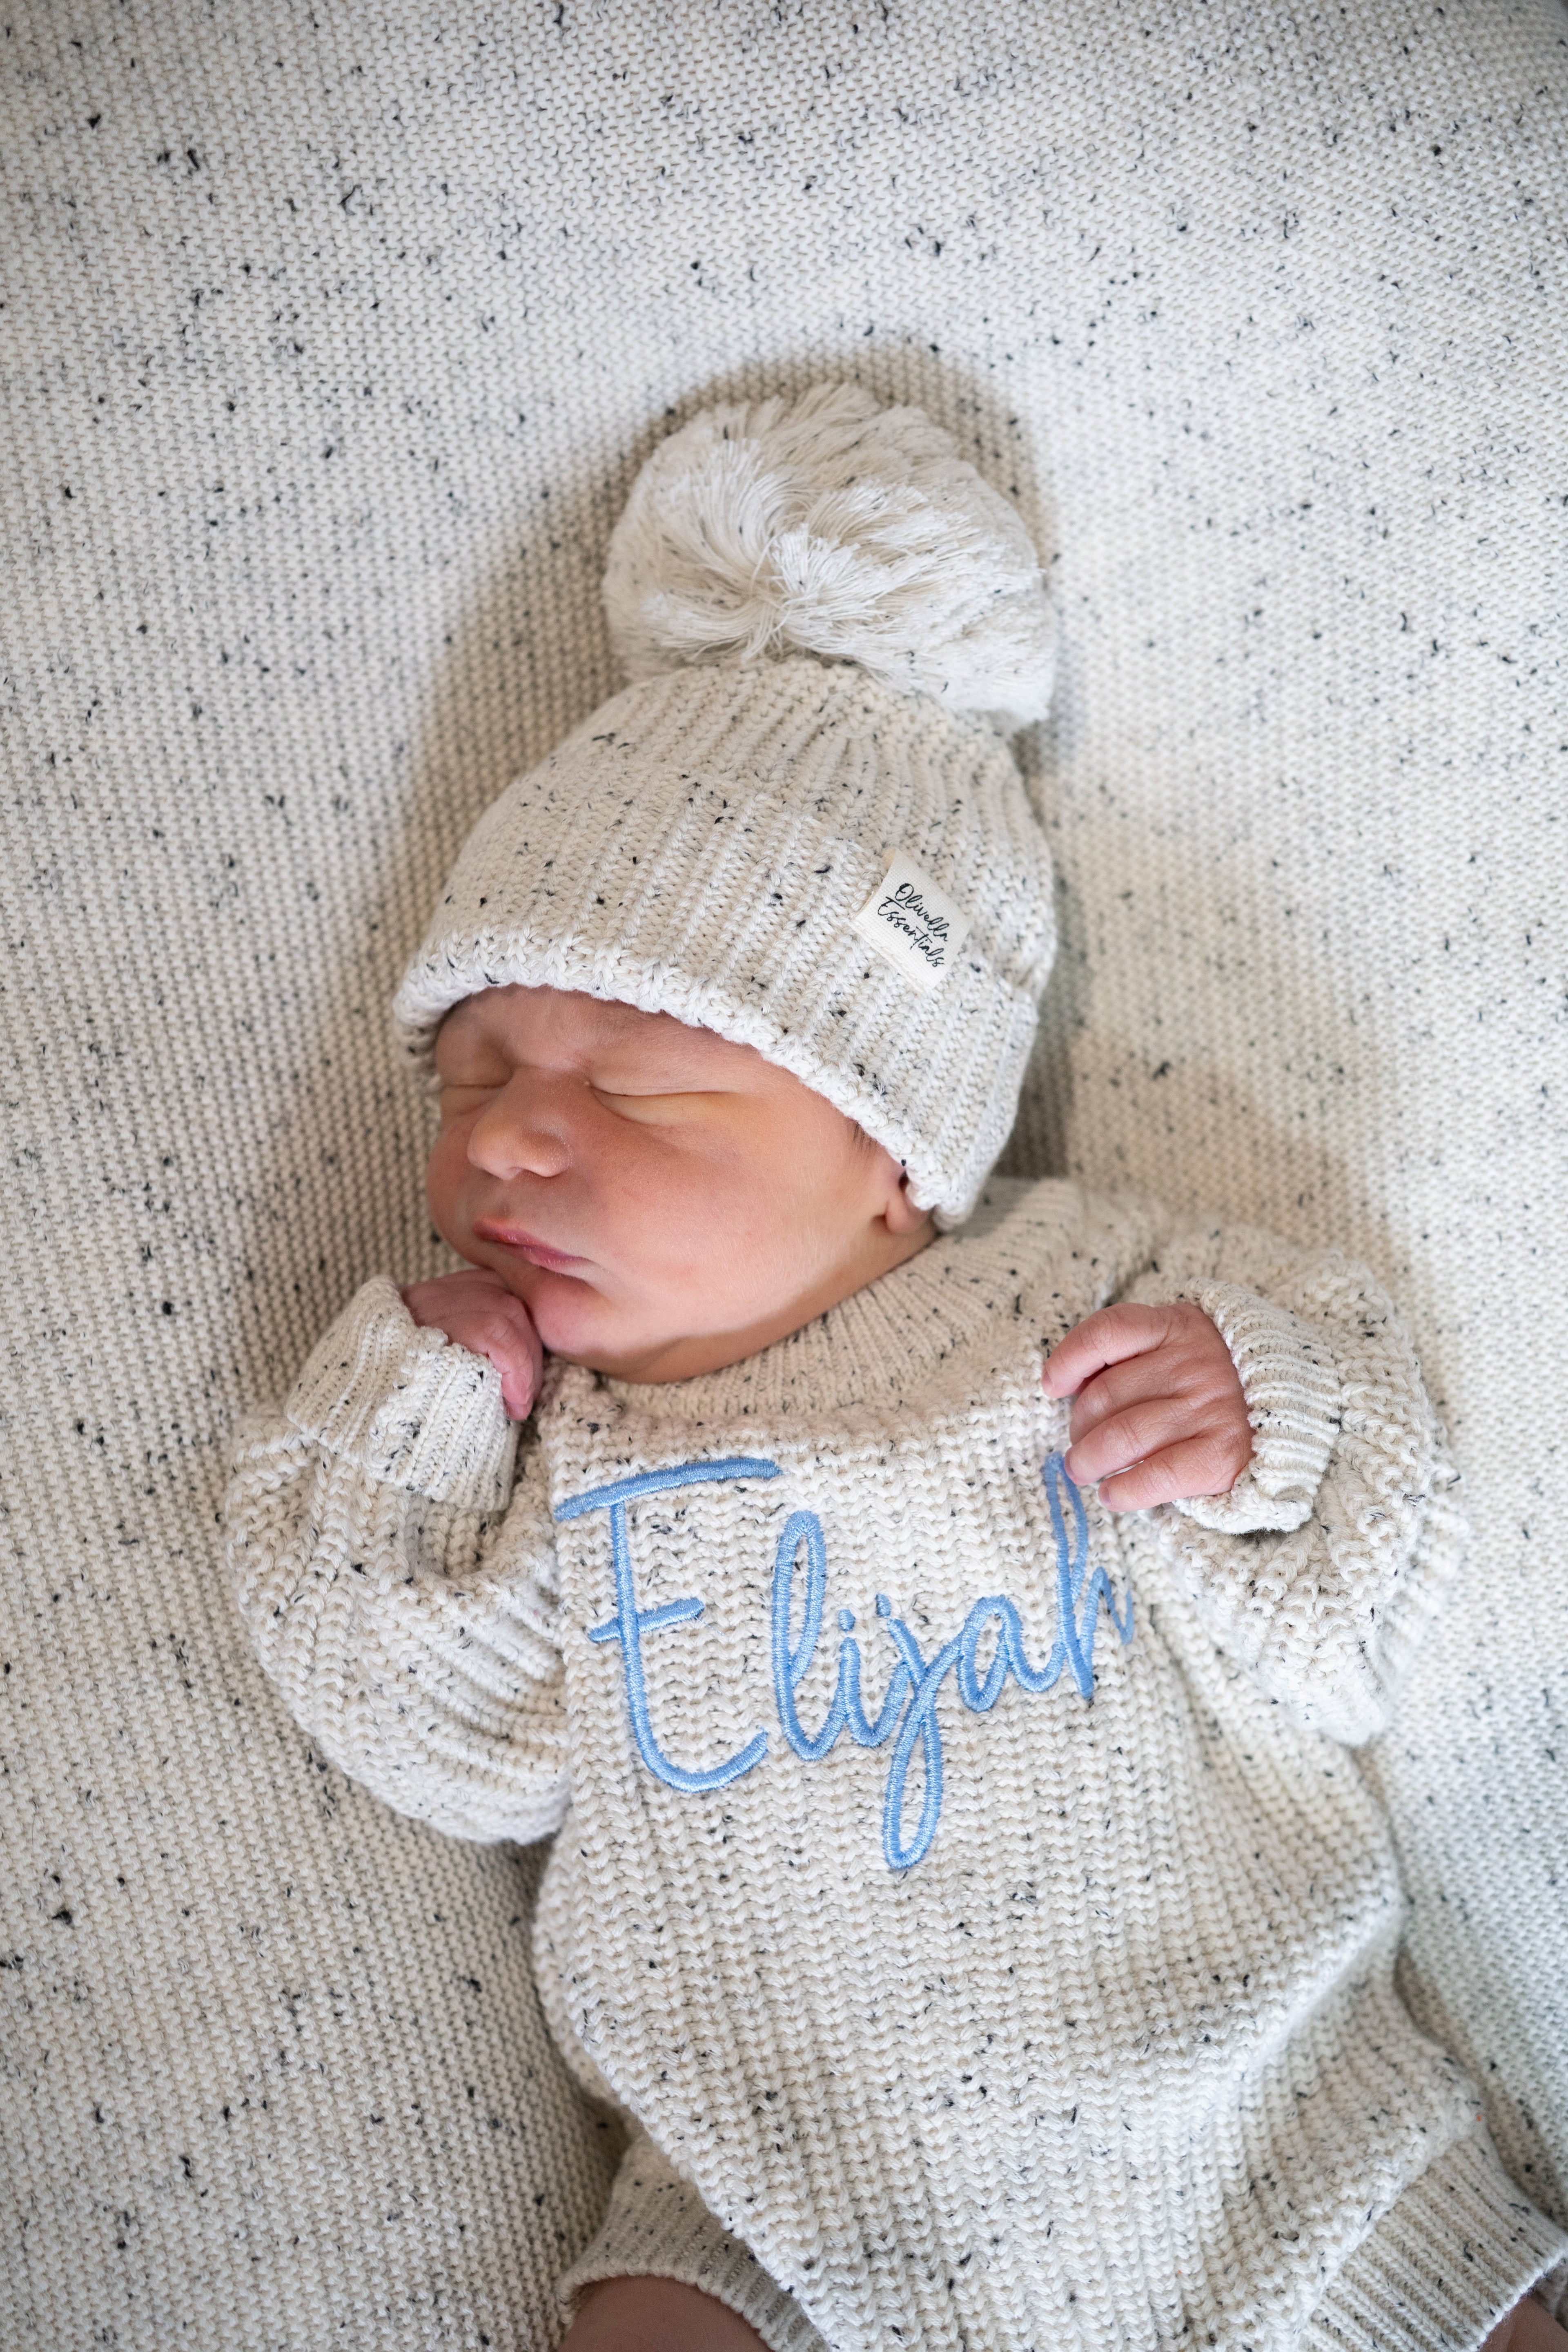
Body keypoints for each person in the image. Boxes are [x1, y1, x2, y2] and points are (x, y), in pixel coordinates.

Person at [225, 386, 1568, 2352]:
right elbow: (433, 1737)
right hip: (774, 2207)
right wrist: (398, 1432)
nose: (505, 1138)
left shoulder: (1084, 1302)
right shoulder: (562, 1468)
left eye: (634, 1089)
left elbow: (1349, 1605)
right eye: (475, 1072)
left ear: (892, 1146)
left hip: (1275, 2146)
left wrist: (1257, 1418)